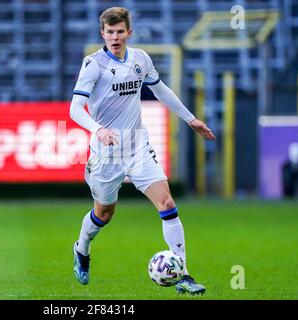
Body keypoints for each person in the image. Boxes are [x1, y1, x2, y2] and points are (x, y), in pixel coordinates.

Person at [69, 7, 215, 295]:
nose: (115, 37)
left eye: (120, 31)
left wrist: (190, 119)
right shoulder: (93, 65)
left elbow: (160, 91)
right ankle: (81, 249)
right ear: (102, 33)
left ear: (128, 32)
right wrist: (97, 129)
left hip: (138, 146)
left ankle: (183, 274)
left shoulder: (141, 59)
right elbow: (75, 108)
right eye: (109, 32)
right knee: (105, 213)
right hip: (105, 154)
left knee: (167, 204)